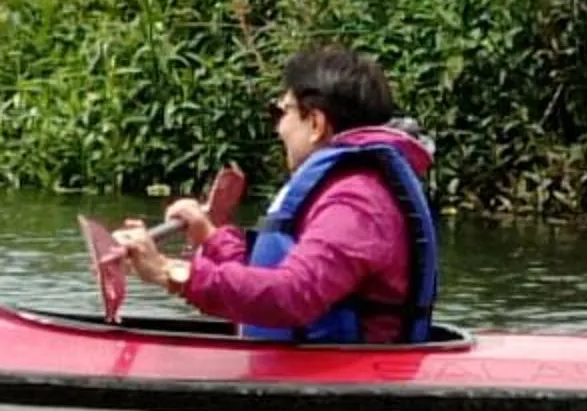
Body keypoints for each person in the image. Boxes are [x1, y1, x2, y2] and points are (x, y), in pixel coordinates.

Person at [116, 46, 441, 343]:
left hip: (347, 383)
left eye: (281, 112)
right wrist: (210, 237)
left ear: (315, 122)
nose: (278, 129)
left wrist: (166, 270)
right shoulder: (345, 188)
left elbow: (291, 295)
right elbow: (269, 278)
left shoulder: (356, 204)